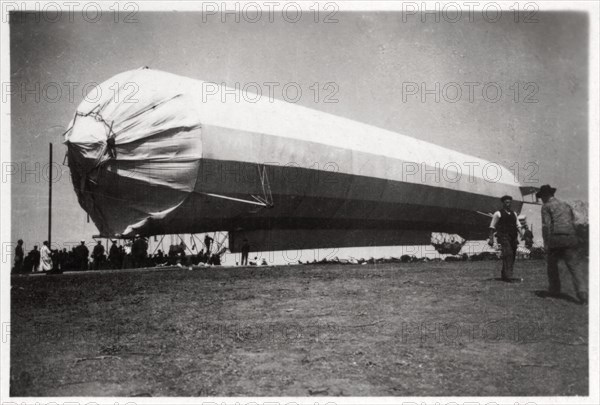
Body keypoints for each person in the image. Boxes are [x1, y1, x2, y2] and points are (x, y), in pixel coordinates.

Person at [537, 184, 587, 305]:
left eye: (541, 196)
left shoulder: (546, 206)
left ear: (545, 195)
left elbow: (546, 226)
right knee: (574, 267)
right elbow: (574, 221)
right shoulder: (565, 205)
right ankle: (583, 294)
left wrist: (546, 243)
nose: (541, 199)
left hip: (556, 239)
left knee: (552, 266)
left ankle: (555, 291)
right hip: (571, 237)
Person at [488, 195, 524, 282]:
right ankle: (509, 276)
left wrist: (521, 233)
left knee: (512, 255)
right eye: (506, 202)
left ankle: (505, 274)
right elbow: (492, 226)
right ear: (503, 203)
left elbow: (518, 225)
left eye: (509, 202)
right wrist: (491, 238)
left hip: (513, 236)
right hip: (503, 236)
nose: (508, 204)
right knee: (508, 253)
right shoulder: (498, 213)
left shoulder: (514, 213)